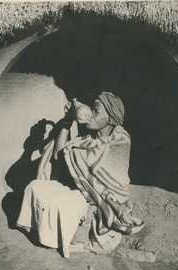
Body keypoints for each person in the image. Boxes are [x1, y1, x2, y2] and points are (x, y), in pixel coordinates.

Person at [17, 91, 144, 258]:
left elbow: (94, 167)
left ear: (111, 118)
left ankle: (55, 240)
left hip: (100, 195)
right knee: (34, 187)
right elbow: (59, 157)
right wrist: (67, 122)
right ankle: (39, 229)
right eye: (91, 109)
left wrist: (76, 160)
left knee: (57, 203)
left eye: (96, 111)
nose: (90, 115)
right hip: (80, 186)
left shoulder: (120, 139)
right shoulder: (88, 135)